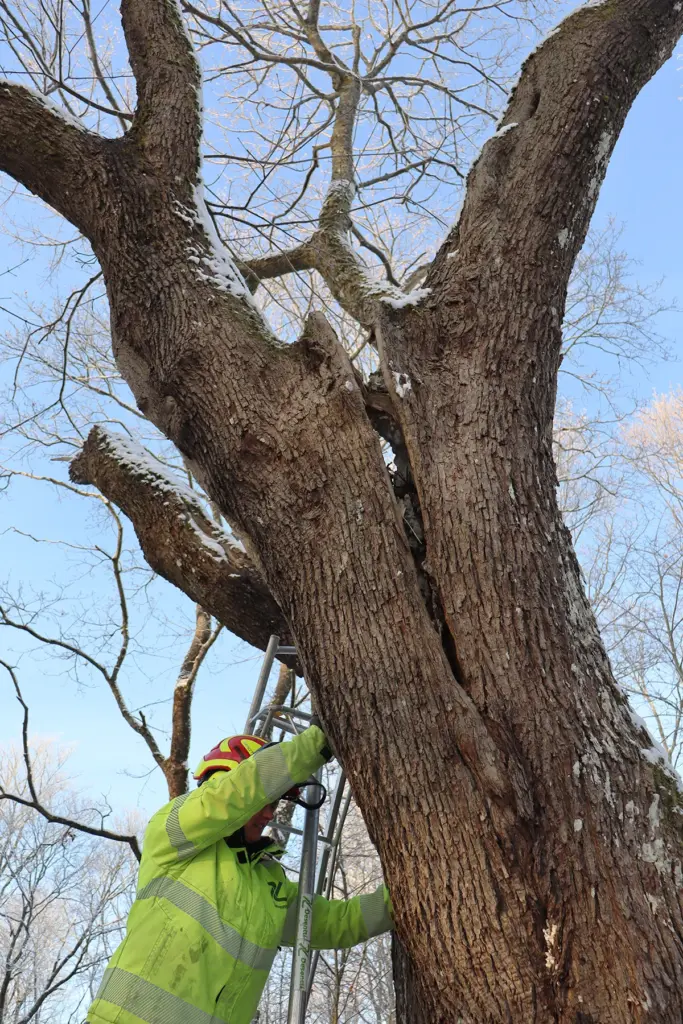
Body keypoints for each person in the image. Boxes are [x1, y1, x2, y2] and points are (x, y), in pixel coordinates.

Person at [87, 723, 393, 1024]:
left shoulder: (269, 887)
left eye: (274, 803)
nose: (269, 813)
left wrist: (403, 901)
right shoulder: (173, 836)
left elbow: (338, 924)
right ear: (219, 782)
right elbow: (229, 797)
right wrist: (318, 743)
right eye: (265, 800)